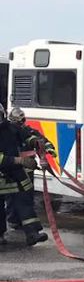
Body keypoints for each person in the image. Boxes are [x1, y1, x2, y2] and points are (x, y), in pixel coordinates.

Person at [0, 104, 49, 246]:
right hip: (7, 170)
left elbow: (27, 135)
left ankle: (32, 234)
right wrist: (19, 160)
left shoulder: (10, 128)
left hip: (14, 173)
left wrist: (35, 142)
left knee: (25, 202)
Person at [5, 106, 56, 231]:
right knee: (13, 197)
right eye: (18, 121)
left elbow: (41, 140)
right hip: (14, 171)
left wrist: (49, 148)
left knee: (27, 197)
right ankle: (13, 221)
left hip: (28, 171)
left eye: (22, 120)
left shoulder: (29, 132)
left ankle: (24, 223)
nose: (20, 124)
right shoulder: (9, 134)